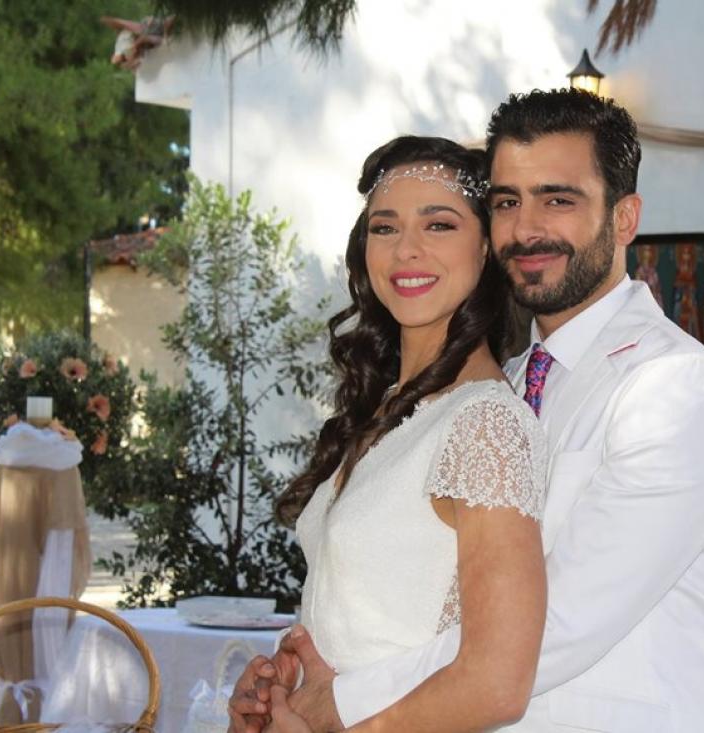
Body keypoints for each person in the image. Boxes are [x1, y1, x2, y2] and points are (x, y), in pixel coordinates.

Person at [234, 89, 704, 732]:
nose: (527, 229)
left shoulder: (675, 388)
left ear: (625, 219)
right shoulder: (496, 385)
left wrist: (338, 702)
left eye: (558, 200)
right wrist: (292, 676)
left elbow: (552, 626)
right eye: (508, 202)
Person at [230, 135, 549, 733]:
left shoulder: (486, 424)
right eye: (385, 227)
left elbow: (499, 684)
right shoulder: (385, 409)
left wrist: (332, 725)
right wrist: (282, 689)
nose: (407, 250)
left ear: (486, 247)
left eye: (439, 225)